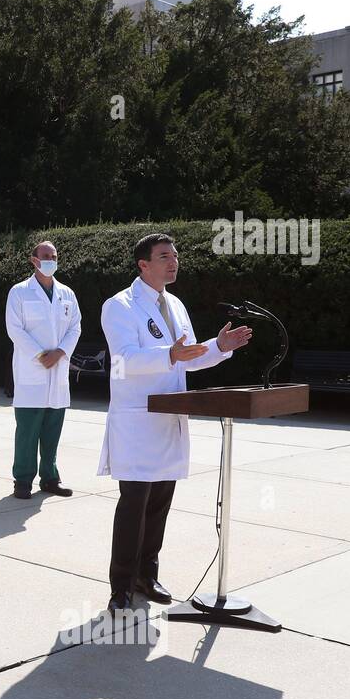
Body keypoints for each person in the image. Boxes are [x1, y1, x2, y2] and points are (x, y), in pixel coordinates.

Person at [98, 232, 253, 615]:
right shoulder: (120, 306)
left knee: (160, 504)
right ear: (143, 264)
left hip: (169, 420)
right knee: (134, 502)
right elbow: (124, 360)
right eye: (164, 256)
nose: (174, 262)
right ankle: (121, 586)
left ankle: (146, 576)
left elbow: (186, 358)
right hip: (138, 421)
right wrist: (168, 352)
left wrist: (218, 348)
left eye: (175, 255)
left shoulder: (176, 305)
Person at [5, 240, 81, 498]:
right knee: (27, 432)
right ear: (34, 260)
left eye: (54, 256)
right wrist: (40, 355)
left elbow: (75, 327)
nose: (50, 260)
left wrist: (60, 353)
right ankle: (23, 480)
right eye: (45, 256)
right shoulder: (19, 292)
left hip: (58, 371)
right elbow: (15, 329)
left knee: (52, 432)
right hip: (32, 372)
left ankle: (50, 478)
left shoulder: (67, 294)